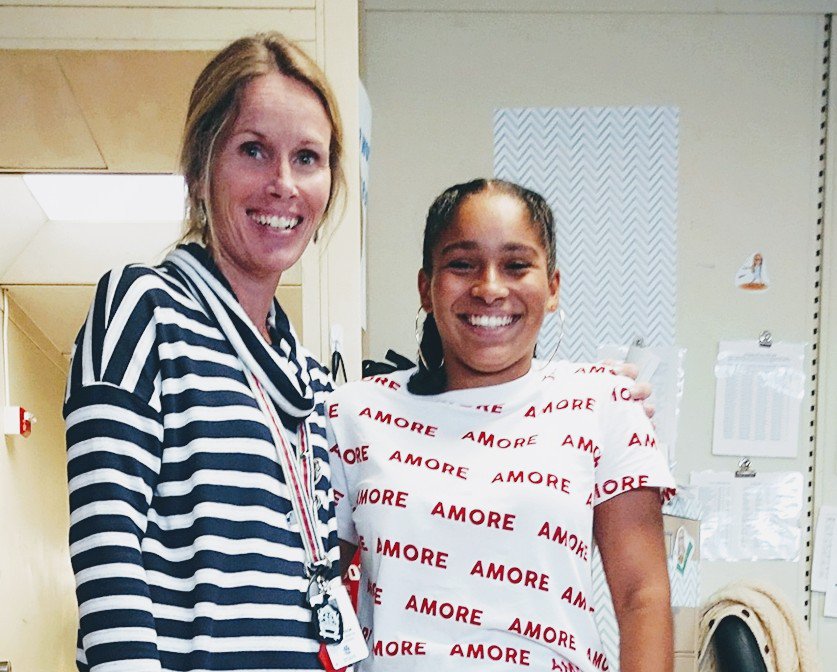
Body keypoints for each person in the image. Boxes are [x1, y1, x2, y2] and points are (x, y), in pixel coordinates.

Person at [64, 32, 350, 671]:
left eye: (307, 157)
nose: (283, 184)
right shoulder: (142, 308)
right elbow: (106, 550)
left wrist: (584, 402)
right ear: (200, 168)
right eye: (254, 150)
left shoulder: (310, 383)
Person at [327, 178, 676, 672]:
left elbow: (643, 597)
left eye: (516, 265)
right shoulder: (353, 414)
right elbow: (318, 592)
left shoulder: (605, 402)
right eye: (462, 264)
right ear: (426, 287)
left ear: (552, 288)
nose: (490, 287)